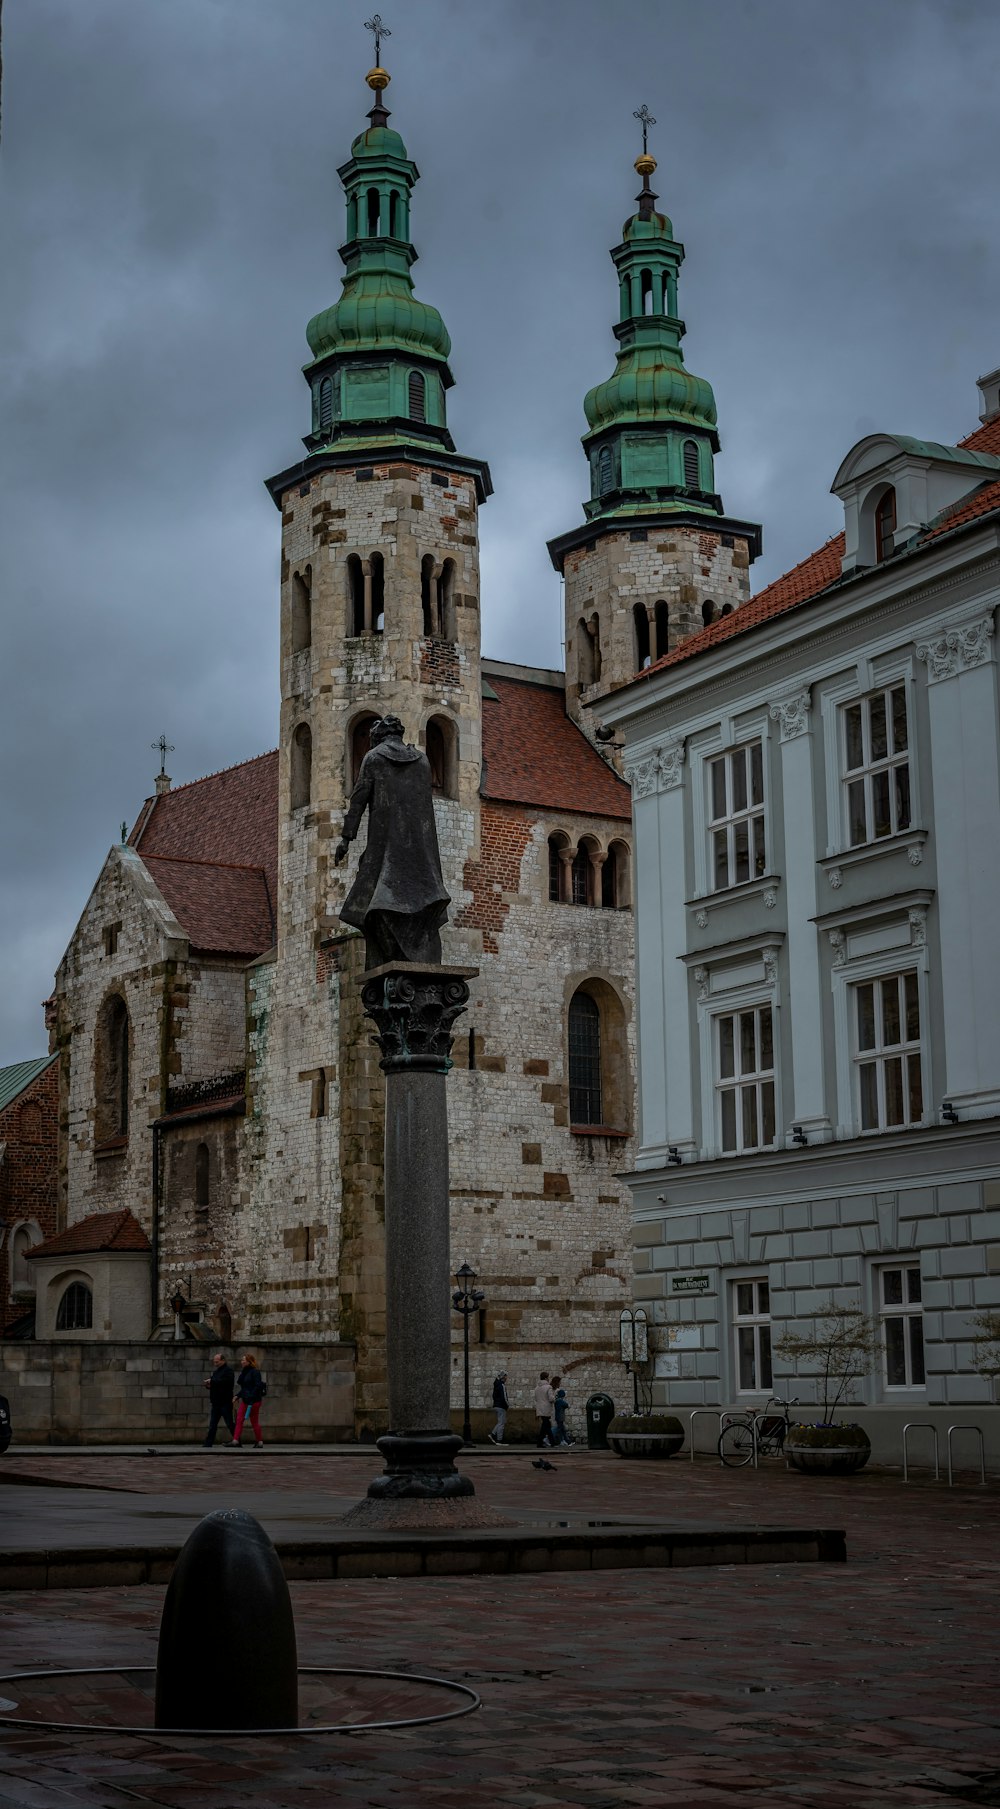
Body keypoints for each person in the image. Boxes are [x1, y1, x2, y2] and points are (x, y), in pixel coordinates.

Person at [334, 715, 450, 968]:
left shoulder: (374, 758)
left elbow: (358, 799)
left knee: (371, 902)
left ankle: (390, 956)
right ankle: (417, 952)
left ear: (377, 737)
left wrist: (346, 838)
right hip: (420, 850)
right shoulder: (422, 760)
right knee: (420, 898)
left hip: (385, 845)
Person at [232, 1353, 265, 1449]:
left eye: (244, 1360)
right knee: (239, 1420)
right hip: (246, 1400)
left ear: (249, 1362)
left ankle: (259, 1442)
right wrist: (237, 1396)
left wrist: (251, 1397)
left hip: (253, 1401)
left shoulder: (255, 1372)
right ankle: (236, 1440)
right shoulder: (245, 1372)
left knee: (253, 1421)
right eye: (242, 1360)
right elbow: (245, 1388)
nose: (241, 1362)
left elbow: (257, 1386)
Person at [202, 1352, 235, 1448]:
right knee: (212, 1424)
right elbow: (216, 1384)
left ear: (223, 1361)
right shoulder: (216, 1372)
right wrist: (209, 1386)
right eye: (214, 1361)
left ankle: (237, 1440)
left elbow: (226, 1383)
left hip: (225, 1402)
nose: (215, 1363)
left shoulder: (229, 1371)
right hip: (216, 1402)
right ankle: (208, 1443)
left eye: (217, 1361)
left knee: (229, 1423)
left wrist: (212, 1381)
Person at [533, 1370, 555, 1448]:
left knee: (546, 1425)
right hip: (546, 1408)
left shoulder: (537, 1388)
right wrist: (555, 1397)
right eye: (548, 1377)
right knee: (545, 1426)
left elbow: (536, 1398)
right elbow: (551, 1398)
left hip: (539, 1408)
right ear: (546, 1378)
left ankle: (552, 1442)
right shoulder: (549, 1387)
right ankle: (540, 1442)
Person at [551, 1378, 573, 1447]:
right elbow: (566, 1405)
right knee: (559, 1429)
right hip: (560, 1417)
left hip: (558, 1416)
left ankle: (566, 1441)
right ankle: (553, 1440)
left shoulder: (557, 1400)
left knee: (561, 1430)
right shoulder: (560, 1400)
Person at [489, 1371, 509, 1444]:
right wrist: (507, 1405)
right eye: (506, 1376)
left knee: (500, 1422)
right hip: (501, 1406)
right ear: (503, 1377)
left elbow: (494, 1396)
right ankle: (499, 1439)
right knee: (501, 1423)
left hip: (497, 1405)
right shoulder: (502, 1385)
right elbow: (504, 1397)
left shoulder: (496, 1385)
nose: (507, 1378)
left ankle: (493, 1434)